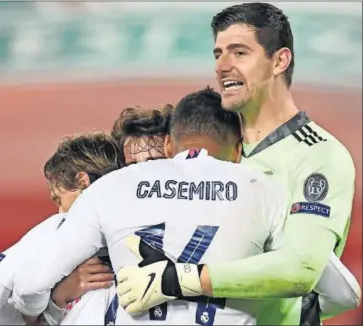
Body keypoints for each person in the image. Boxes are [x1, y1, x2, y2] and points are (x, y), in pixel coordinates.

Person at [117, 3, 360, 325]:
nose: (222, 66)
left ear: (279, 61)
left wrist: (180, 279)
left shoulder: (317, 156)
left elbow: (300, 269)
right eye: (218, 54)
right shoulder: (210, 139)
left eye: (239, 53)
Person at [12, 88, 292, 325]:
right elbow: (317, 280)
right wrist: (60, 298)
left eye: (156, 164)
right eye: (134, 168)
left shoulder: (108, 195)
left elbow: (27, 289)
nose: (148, 178)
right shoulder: (261, 192)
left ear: (171, 149)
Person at [0, 132, 124, 325]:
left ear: (83, 182)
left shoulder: (59, 226)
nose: (60, 211)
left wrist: (40, 313)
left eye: (59, 199)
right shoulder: (145, 224)